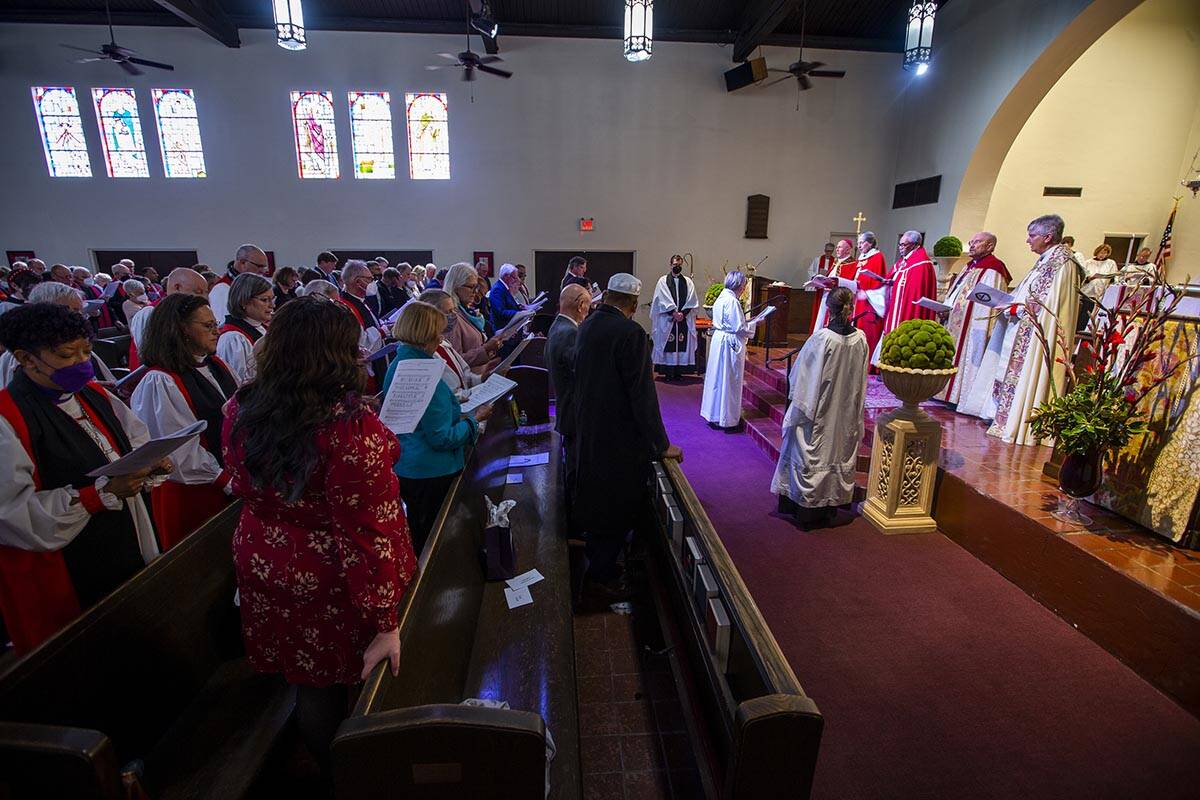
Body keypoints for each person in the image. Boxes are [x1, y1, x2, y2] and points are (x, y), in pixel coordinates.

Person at [223, 296, 415, 778]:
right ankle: (348, 776)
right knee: (336, 682)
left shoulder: (241, 406)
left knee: (310, 678)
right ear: (338, 355)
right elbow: (367, 532)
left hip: (265, 557)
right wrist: (386, 618)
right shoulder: (349, 427)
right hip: (328, 573)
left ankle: (330, 770)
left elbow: (241, 478)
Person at [0, 303, 168, 654]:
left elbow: (133, 442)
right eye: (66, 354)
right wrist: (98, 495)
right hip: (62, 566)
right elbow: (12, 515)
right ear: (27, 359)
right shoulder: (7, 418)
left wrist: (150, 463)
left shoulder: (94, 394)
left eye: (86, 351)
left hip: (125, 533)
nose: (82, 363)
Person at [572, 274, 682, 602]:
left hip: (591, 429)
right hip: (618, 439)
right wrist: (661, 444)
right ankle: (599, 580)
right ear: (633, 305)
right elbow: (642, 396)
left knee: (598, 502)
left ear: (605, 296)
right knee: (616, 507)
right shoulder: (630, 333)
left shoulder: (588, 325)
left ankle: (601, 568)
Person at [961, 214, 1081, 445]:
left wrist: (1015, 309)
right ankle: (1004, 416)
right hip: (1019, 324)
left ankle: (1020, 419)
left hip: (1034, 335)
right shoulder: (1047, 259)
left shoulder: (1062, 264)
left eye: (1032, 235)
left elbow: (1047, 306)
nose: (1028, 240)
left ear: (1047, 237)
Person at [384, 301, 491, 556]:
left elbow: (420, 414)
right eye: (439, 333)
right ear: (426, 335)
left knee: (422, 532)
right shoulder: (422, 371)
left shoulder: (400, 362)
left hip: (410, 465)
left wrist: (454, 401)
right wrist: (474, 420)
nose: (441, 338)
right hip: (431, 471)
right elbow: (441, 437)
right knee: (433, 544)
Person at [131, 294, 237, 548]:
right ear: (182, 330)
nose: (217, 331)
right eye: (208, 326)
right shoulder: (160, 380)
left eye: (215, 324)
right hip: (194, 488)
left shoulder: (216, 365)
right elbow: (176, 452)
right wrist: (225, 480)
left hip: (228, 478)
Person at [771, 288, 868, 529]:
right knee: (835, 451)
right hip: (844, 412)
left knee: (811, 449)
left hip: (818, 411)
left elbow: (803, 378)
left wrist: (797, 408)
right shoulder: (861, 338)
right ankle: (828, 509)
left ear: (829, 308)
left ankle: (805, 509)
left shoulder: (822, 338)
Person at [935, 232, 1011, 406]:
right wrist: (947, 308)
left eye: (977, 242)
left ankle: (962, 398)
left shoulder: (994, 268)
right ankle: (945, 393)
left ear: (990, 246)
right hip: (956, 322)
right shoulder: (969, 266)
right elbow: (957, 293)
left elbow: (987, 304)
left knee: (969, 355)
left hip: (972, 327)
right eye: (971, 242)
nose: (972, 245)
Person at [1, 283, 117, 387]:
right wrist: (89, 389)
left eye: (81, 312)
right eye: (74, 311)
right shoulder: (26, 356)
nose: (80, 318)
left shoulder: (72, 342)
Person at [546, 284, 591, 522]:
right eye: (588, 306)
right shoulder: (571, 332)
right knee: (575, 468)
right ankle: (576, 521)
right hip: (574, 411)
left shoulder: (557, 325)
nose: (588, 312)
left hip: (566, 406)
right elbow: (581, 374)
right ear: (581, 305)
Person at [701, 271, 758, 431]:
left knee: (717, 379)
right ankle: (728, 420)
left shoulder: (721, 297)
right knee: (729, 380)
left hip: (720, 340)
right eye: (744, 284)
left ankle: (715, 415)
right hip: (729, 342)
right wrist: (754, 324)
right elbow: (738, 327)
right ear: (740, 285)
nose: (745, 287)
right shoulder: (732, 301)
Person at [129, 267, 210, 369]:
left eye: (206, 292)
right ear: (177, 288)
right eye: (198, 292)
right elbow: (150, 354)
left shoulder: (191, 312)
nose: (204, 298)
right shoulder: (150, 312)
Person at [876, 231, 938, 361]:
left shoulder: (921, 264)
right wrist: (891, 283)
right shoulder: (905, 262)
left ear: (915, 245)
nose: (900, 247)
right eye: (900, 244)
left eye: (904, 244)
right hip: (896, 308)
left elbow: (914, 293)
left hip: (906, 310)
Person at [419, 289, 482, 397]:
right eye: (448, 311)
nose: (454, 315)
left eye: (453, 310)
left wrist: (483, 378)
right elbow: (446, 394)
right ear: (432, 315)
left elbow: (464, 376)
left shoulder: (443, 343)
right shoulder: (425, 350)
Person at [443, 262, 503, 372]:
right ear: (456, 286)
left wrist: (490, 350)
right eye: (471, 287)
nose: (475, 292)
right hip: (467, 381)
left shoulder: (466, 311)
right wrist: (486, 348)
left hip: (479, 375)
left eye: (476, 287)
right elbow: (454, 361)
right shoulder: (451, 316)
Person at [217, 273, 274, 385]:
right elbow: (239, 383)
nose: (272, 305)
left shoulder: (260, 327)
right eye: (264, 300)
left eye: (272, 299)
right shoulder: (233, 338)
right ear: (244, 301)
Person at [650, 255, 699, 381]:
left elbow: (692, 299)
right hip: (668, 319)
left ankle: (678, 371)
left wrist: (683, 313)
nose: (677, 267)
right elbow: (661, 298)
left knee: (681, 344)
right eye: (675, 264)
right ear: (670, 264)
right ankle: (668, 372)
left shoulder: (688, 281)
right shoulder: (663, 280)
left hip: (683, 319)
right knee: (668, 344)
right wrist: (673, 312)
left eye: (679, 265)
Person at [340, 260, 389, 382]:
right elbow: (362, 341)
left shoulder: (361, 300)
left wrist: (382, 324)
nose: (373, 283)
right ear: (357, 281)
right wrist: (384, 331)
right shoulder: (347, 307)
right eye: (369, 279)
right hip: (362, 369)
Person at [209, 244, 269, 325]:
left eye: (264, 267)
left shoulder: (249, 286)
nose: (263, 271)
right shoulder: (221, 290)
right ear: (242, 263)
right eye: (259, 266)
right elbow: (223, 325)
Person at [851, 232, 889, 360]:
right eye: (858, 243)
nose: (859, 246)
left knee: (868, 332)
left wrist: (866, 292)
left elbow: (877, 282)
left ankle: (866, 361)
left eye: (862, 242)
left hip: (870, 302)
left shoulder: (877, 257)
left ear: (871, 243)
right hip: (858, 299)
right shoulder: (863, 257)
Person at [808, 239, 857, 332]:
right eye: (837, 247)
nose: (837, 250)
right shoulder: (836, 262)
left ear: (848, 250)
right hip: (825, 295)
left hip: (836, 299)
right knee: (820, 321)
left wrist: (833, 284)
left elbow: (848, 284)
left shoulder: (852, 264)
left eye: (840, 247)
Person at [1080, 244, 1119, 328]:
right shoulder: (1088, 262)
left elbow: (1115, 277)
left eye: (1105, 253)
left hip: (1102, 293)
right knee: (1085, 314)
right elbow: (1082, 277)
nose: (1102, 255)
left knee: (1098, 315)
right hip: (1088, 292)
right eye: (1100, 252)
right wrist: (1090, 278)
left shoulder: (1111, 263)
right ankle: (1082, 329)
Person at [489, 263, 526, 331]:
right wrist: (519, 313)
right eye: (514, 277)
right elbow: (500, 312)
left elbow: (508, 305)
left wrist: (519, 307)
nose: (516, 280)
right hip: (502, 329)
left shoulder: (505, 288)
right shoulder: (497, 289)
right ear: (506, 276)